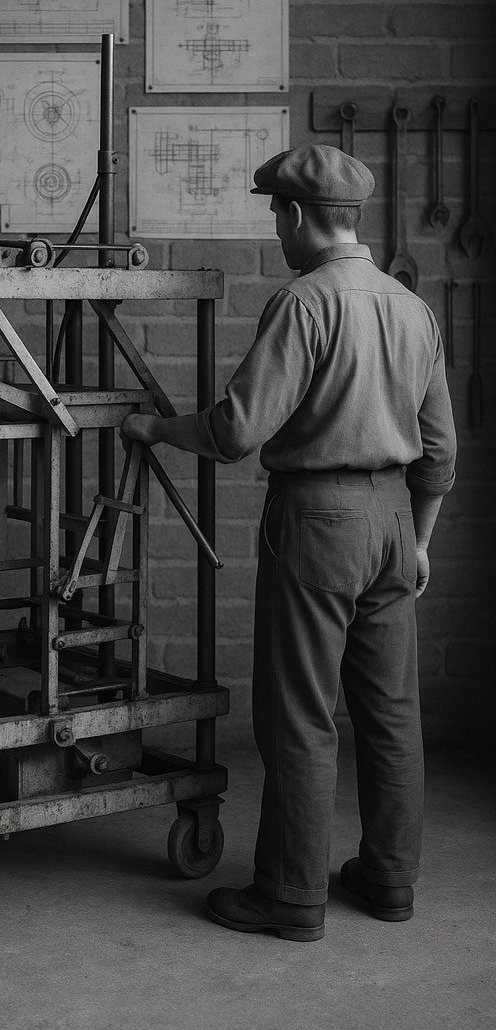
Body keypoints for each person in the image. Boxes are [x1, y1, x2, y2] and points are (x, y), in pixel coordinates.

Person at [121, 144, 456, 942]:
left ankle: (291, 895)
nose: (276, 231)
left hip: (318, 520)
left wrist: (155, 428)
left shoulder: (304, 304)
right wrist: (419, 542)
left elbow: (236, 430)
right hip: (394, 521)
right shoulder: (412, 308)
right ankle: (390, 880)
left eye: (276, 215)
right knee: (392, 715)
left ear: (299, 215)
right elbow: (441, 451)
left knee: (301, 715)